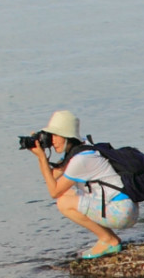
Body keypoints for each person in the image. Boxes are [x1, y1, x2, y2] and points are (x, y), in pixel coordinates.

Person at [30, 109, 137, 258]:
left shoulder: (80, 160)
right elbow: (52, 176)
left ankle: (109, 240)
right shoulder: (81, 149)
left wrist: (42, 158)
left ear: (67, 136)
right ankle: (108, 239)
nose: (52, 141)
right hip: (124, 207)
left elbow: (53, 192)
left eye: (56, 135)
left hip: (121, 212)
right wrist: (40, 154)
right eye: (51, 136)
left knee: (63, 202)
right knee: (66, 193)